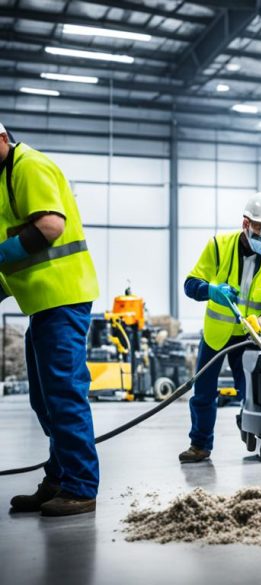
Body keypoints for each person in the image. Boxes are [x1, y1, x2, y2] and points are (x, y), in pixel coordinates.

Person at [1, 122, 101, 516]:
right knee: (44, 400)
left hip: (64, 298)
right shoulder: (5, 176)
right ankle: (59, 479)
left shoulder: (29, 166)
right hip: (43, 302)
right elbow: (16, 253)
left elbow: (49, 227)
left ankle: (80, 486)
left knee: (63, 394)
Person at [178, 192, 261, 463]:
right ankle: (200, 445)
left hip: (249, 335)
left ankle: (254, 429)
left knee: (251, 391)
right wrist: (211, 290)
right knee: (204, 392)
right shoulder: (219, 246)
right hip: (216, 335)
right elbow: (190, 285)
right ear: (246, 223)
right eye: (260, 228)